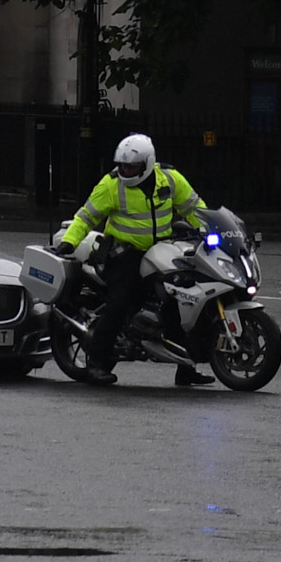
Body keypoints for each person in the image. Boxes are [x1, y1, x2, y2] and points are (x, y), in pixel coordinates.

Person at [53, 133, 212, 386]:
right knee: (120, 302)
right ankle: (96, 363)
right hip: (124, 254)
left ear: (148, 163)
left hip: (162, 250)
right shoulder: (111, 184)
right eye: (122, 165)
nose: (126, 170)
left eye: (132, 166)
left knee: (180, 297)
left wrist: (210, 230)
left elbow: (194, 207)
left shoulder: (169, 179)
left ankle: (186, 368)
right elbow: (86, 217)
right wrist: (69, 241)